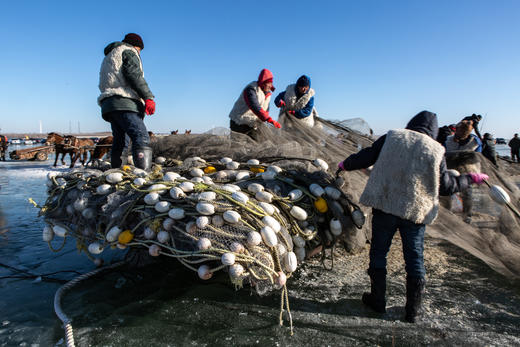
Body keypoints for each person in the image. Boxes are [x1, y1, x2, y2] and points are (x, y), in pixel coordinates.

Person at [337, 111, 488, 323]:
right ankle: (413, 311)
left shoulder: (393, 136)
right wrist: (469, 179)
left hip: (385, 204)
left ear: (411, 124)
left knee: (379, 252)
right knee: (414, 259)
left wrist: (346, 164)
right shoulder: (436, 149)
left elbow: (367, 156)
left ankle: (377, 300)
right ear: (433, 131)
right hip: (415, 213)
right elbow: (446, 186)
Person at [98, 33, 155, 170]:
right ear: (136, 46)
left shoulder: (110, 55)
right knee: (141, 137)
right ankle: (143, 174)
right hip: (124, 101)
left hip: (109, 104)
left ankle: (117, 172)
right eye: (139, 50)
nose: (139, 52)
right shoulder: (128, 51)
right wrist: (148, 97)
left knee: (121, 141)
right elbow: (134, 75)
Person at [228, 69, 281, 141]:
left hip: (251, 123)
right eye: (268, 83)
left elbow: (265, 110)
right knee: (239, 145)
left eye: (271, 83)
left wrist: (267, 119)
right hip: (239, 121)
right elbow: (255, 106)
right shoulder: (251, 89)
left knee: (258, 143)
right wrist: (269, 119)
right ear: (263, 82)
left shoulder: (268, 93)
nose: (270, 85)